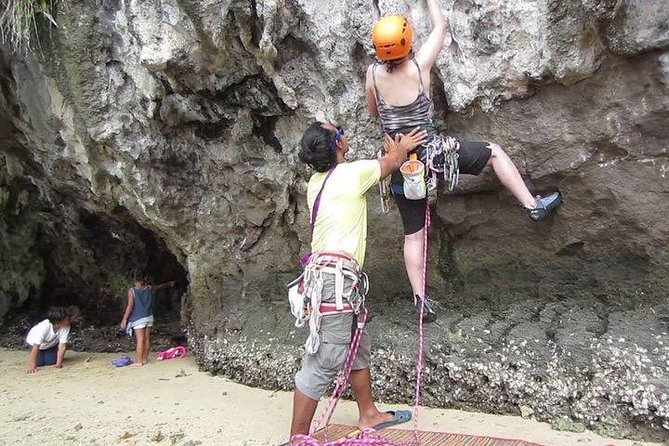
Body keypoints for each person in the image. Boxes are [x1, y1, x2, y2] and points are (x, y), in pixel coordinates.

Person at [365, 2, 562, 322]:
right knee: (494, 152)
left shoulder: (373, 75)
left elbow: (374, 113)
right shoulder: (418, 67)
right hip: (436, 157)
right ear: (408, 43)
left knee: (413, 235)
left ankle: (420, 301)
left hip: (401, 165)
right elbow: (441, 31)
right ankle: (531, 204)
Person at [287, 122, 427, 444]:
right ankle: (297, 438)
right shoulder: (351, 173)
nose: (345, 132)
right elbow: (392, 163)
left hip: (335, 282)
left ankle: (369, 414)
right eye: (340, 130)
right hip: (335, 283)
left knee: (354, 348)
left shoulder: (316, 182)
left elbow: (382, 163)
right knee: (324, 358)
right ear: (337, 143)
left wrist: (392, 152)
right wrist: (403, 145)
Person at [120, 270, 175, 367]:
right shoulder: (148, 288)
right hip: (149, 317)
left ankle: (139, 361)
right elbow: (159, 287)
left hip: (138, 318)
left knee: (140, 340)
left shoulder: (132, 291)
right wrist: (169, 284)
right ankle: (144, 359)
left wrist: (124, 319)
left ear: (134, 280)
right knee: (147, 339)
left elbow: (130, 306)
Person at [25, 306, 79, 374]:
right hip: (34, 344)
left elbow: (62, 345)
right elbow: (36, 346)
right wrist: (32, 367)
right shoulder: (43, 327)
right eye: (67, 318)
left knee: (51, 361)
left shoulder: (66, 326)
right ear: (58, 321)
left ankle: (49, 353)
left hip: (50, 344)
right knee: (39, 362)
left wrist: (58, 364)